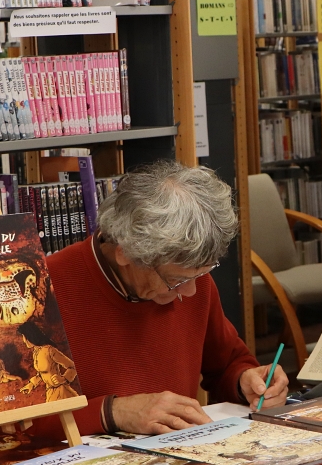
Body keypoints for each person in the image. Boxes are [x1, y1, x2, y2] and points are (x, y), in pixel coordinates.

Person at [46, 161, 289, 436]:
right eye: (175, 280)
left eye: (202, 273)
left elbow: (226, 364)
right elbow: (9, 425)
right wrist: (112, 412)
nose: (191, 292)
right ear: (125, 253)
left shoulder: (192, 279)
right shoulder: (43, 290)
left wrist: (246, 381)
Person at [17, 320, 80, 401]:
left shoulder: (49, 350)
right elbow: (42, 373)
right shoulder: (36, 352)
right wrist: (31, 384)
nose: (24, 340)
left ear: (30, 336)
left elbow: (72, 367)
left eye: (24, 336)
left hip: (61, 392)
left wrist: (63, 379)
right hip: (50, 391)